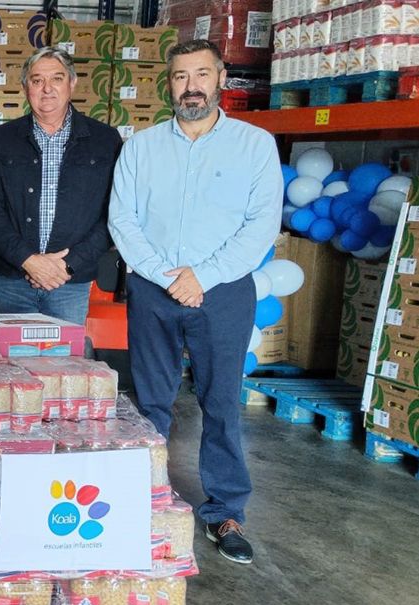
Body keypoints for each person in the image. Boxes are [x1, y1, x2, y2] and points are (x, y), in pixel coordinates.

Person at [108, 39, 283, 565]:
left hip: (224, 292)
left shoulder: (254, 146)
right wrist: (166, 276)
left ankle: (225, 511)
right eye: (181, 77)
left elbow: (261, 227)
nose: (191, 87)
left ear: (221, 77)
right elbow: (123, 220)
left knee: (221, 402)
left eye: (201, 74)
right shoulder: (140, 147)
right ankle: (144, 499)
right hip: (154, 289)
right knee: (150, 401)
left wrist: (202, 276)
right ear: (170, 83)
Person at [0, 46, 122, 326]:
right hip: (13, 278)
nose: (47, 89)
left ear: (72, 83)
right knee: (13, 364)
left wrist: (67, 265)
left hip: (70, 282)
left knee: (64, 365)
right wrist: (28, 259)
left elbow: (115, 213)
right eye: (37, 80)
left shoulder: (105, 140)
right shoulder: (1, 140)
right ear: (24, 87)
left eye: (56, 79)